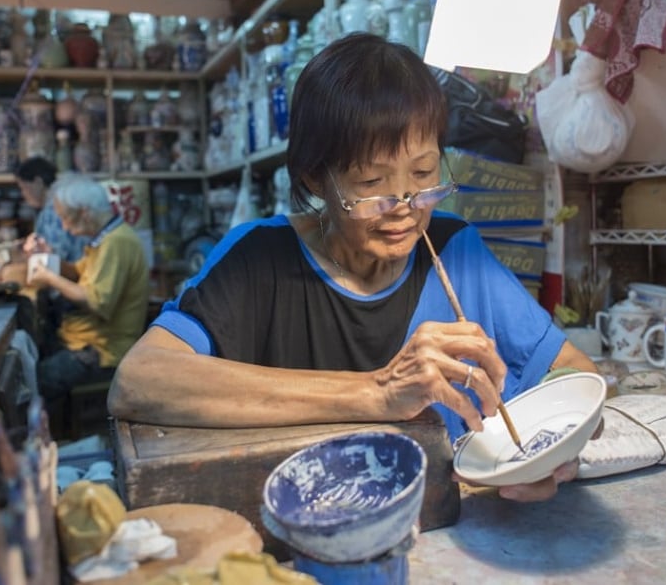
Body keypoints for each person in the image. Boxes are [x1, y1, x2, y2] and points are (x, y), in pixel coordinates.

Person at [108, 33, 597, 502]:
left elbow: (573, 372)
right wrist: (378, 390)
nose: (405, 206)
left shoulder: (453, 249)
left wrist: (551, 446)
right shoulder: (259, 259)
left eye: (424, 174)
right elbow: (139, 381)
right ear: (315, 177)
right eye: (371, 182)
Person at [29, 174, 150, 407]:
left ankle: (53, 437)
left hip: (103, 351)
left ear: (84, 212)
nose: (64, 226)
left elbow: (97, 302)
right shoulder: (104, 239)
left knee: (33, 381)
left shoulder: (117, 243)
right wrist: (49, 256)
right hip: (82, 339)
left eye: (66, 218)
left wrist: (49, 278)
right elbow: (76, 272)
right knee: (35, 354)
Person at [15, 157, 89, 262]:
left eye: (23, 187)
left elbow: (55, 257)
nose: (23, 194)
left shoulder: (52, 211)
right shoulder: (64, 199)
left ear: (38, 182)